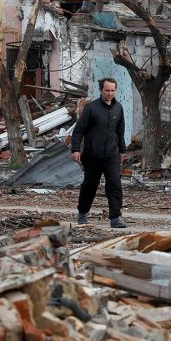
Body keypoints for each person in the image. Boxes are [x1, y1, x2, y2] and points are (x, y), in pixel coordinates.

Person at [71, 77, 127, 228]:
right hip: (92, 155)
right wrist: (75, 149)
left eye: (112, 90)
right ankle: (82, 213)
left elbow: (120, 132)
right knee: (90, 185)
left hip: (111, 155)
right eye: (107, 90)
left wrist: (122, 151)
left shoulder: (118, 108)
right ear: (101, 90)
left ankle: (115, 217)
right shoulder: (91, 108)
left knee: (114, 184)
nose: (110, 93)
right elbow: (79, 130)